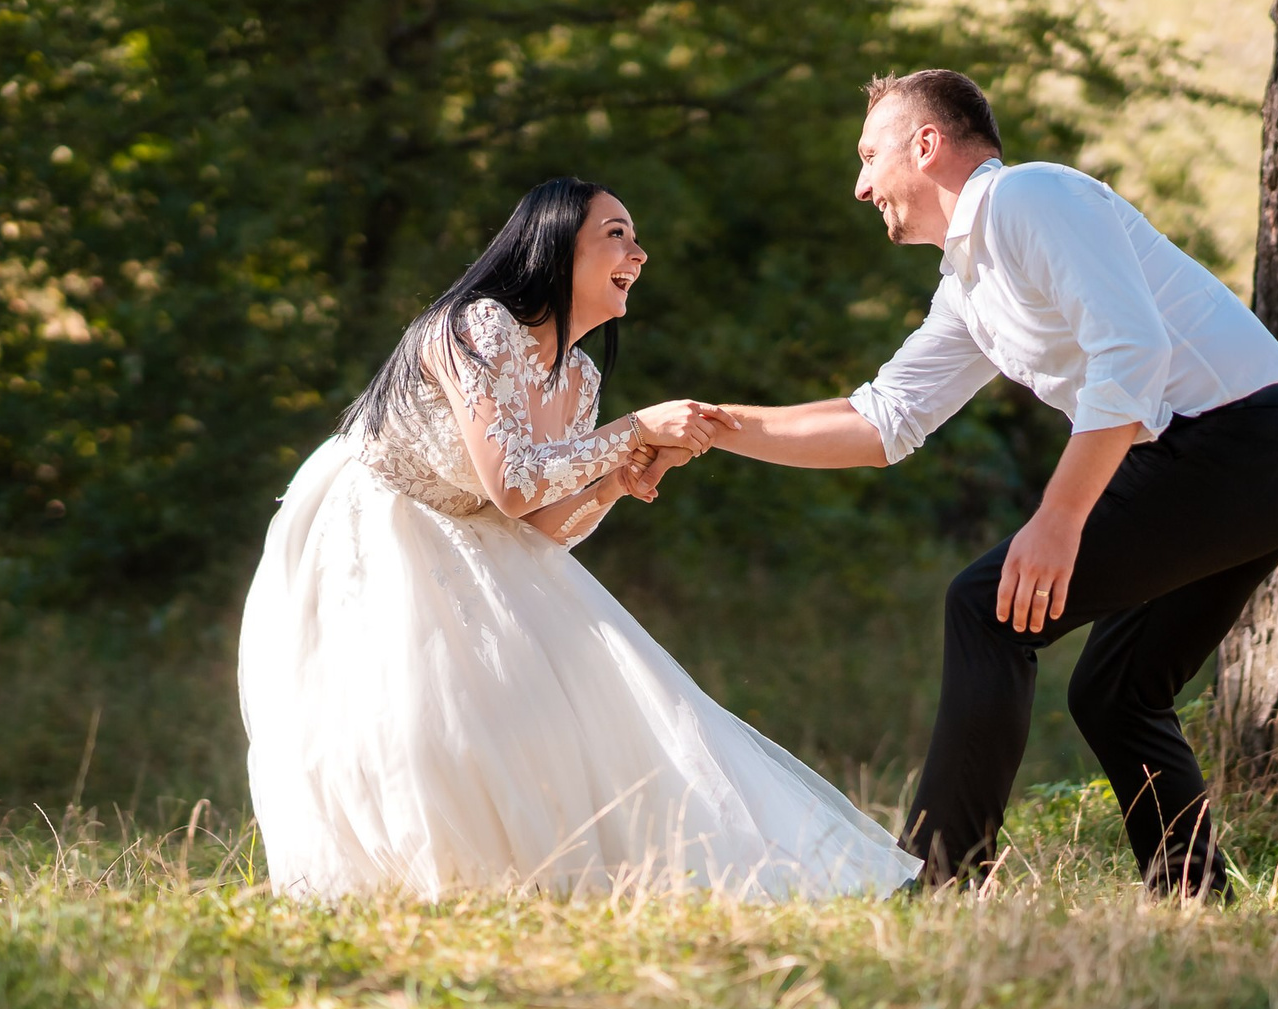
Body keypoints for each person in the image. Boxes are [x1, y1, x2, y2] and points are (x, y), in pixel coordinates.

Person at [700, 70, 1278, 896]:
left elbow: (1134, 351)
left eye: (868, 156)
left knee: (986, 606)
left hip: (1238, 444)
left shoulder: (1031, 198)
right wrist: (718, 427)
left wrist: (1060, 517)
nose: (859, 185)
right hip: (1258, 462)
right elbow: (884, 420)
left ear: (925, 146)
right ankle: (1194, 897)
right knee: (1115, 692)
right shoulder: (967, 286)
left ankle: (945, 876)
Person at [238, 177, 920, 899]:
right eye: (616, 233)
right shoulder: (477, 325)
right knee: (402, 718)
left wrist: (613, 483)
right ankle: (400, 883)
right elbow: (511, 482)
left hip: (475, 532)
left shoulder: (581, 378)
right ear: (554, 245)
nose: (639, 252)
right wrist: (635, 430)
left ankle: (518, 881)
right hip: (375, 520)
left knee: (571, 706)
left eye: (635, 237)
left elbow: (538, 528)